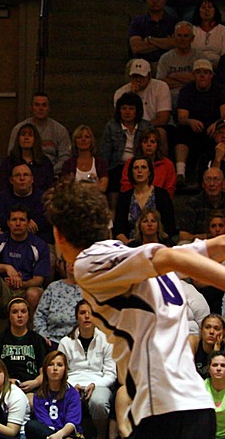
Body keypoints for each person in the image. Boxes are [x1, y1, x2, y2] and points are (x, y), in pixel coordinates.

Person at [46, 177, 225, 439]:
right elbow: (214, 247)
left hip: (166, 410)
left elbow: (167, 256)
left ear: (59, 234)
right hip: (195, 406)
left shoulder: (90, 262)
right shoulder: (128, 260)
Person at [0, 205, 50, 342]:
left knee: (35, 293)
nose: (18, 223)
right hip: (4, 291)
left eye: (22, 220)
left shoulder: (39, 245)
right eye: (14, 220)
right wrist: (7, 268)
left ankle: (30, 333)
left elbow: (39, 279)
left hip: (25, 290)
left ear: (28, 222)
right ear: (8, 223)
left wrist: (21, 283)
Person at [58, 300, 117, 439]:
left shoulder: (107, 340)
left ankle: (101, 435)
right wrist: (71, 386)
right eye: (82, 313)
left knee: (99, 402)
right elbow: (61, 373)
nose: (87, 316)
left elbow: (111, 373)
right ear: (76, 317)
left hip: (98, 382)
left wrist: (95, 385)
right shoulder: (65, 342)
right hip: (72, 383)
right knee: (65, 398)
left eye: (91, 313)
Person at [175, 58, 225, 184]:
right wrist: (190, 121)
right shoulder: (186, 90)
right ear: (193, 75)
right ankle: (180, 173)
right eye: (198, 72)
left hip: (214, 128)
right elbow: (182, 117)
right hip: (194, 127)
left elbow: (224, 115)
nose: (202, 76)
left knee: (222, 131)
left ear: (211, 75)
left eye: (206, 72)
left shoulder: (220, 89)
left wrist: (217, 123)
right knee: (181, 131)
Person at [100, 92, 152, 208]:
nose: (127, 112)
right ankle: (114, 211)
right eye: (124, 108)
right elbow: (105, 153)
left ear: (137, 111)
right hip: (117, 165)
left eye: (131, 108)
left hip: (138, 163)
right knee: (113, 175)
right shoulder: (111, 126)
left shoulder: (146, 127)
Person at [0, 298, 49, 393]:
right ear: (9, 316)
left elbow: (45, 371)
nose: (19, 315)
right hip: (5, 388)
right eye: (15, 312)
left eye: (23, 312)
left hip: (32, 388)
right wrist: (7, 381)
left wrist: (35, 382)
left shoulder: (38, 340)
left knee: (31, 402)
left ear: (28, 315)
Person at [112, 156, 177, 244]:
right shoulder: (124, 197)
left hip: (157, 244)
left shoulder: (162, 195)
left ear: (149, 172)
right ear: (131, 172)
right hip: (130, 245)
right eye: (136, 168)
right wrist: (128, 243)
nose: (139, 171)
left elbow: (170, 226)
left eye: (143, 167)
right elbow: (118, 228)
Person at [7, 92, 71, 175]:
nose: (40, 108)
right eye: (37, 105)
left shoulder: (60, 130)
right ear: (31, 108)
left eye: (44, 105)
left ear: (49, 108)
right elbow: (11, 154)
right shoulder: (19, 129)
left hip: (52, 174)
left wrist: (48, 171)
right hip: (22, 175)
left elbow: (65, 157)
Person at [0, 163, 53, 244]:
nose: (22, 178)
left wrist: (33, 223)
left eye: (25, 175)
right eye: (18, 175)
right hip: (9, 238)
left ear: (32, 179)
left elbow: (48, 217)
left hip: (39, 238)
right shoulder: (1, 197)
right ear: (11, 180)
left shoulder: (43, 197)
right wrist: (20, 225)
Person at [25, 351, 83, 439]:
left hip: (68, 435)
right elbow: (45, 423)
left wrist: (60, 434)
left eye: (59, 365)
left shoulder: (72, 393)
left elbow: (72, 423)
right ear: (45, 369)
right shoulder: (40, 395)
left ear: (65, 370)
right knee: (31, 425)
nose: (55, 368)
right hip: (49, 434)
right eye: (51, 364)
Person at [34, 260, 83, 348]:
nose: (73, 264)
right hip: (53, 341)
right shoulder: (53, 287)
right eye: (70, 261)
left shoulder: (90, 289)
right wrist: (43, 336)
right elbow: (39, 315)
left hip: (79, 342)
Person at [156, 21, 204, 106]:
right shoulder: (165, 58)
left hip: (194, 97)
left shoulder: (200, 57)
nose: (182, 39)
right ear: (174, 37)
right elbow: (161, 83)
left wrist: (174, 76)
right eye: (179, 35)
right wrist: (188, 81)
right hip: (170, 98)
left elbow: (201, 80)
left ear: (192, 38)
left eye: (186, 36)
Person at [128, 0, 178, 65]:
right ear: (146, 1)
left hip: (169, 64)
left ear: (164, 1)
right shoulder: (137, 22)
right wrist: (165, 42)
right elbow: (136, 47)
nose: (155, 1)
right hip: (143, 64)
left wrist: (150, 40)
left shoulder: (174, 22)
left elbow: (175, 44)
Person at [120, 128, 176, 198]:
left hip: (159, 201)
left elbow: (170, 188)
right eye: (145, 142)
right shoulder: (131, 163)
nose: (149, 145)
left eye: (152, 142)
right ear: (141, 145)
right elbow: (126, 185)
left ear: (157, 145)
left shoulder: (167, 164)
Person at [0, 123, 54, 192]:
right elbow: (2, 188)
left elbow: (49, 188)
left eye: (30, 135)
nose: (26, 138)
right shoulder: (8, 162)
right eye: (23, 134)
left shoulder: (45, 162)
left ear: (35, 139)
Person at [179, 168, 225, 242]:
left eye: (216, 179)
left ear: (223, 184)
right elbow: (183, 236)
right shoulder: (192, 204)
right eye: (208, 180)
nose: (212, 184)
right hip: (200, 246)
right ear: (203, 185)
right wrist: (209, 237)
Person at [60, 125, 108, 193]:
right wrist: (93, 186)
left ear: (91, 140)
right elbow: (67, 187)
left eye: (87, 137)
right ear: (75, 141)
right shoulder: (68, 164)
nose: (83, 139)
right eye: (79, 137)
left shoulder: (100, 163)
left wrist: (79, 185)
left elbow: (103, 187)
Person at [190, 314, 225, 378]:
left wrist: (215, 352)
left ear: (223, 333)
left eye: (216, 329)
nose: (211, 332)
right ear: (201, 330)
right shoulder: (193, 342)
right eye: (207, 327)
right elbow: (188, 373)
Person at [192, 0, 225, 66]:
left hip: (218, 66)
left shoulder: (223, 30)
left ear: (215, 10)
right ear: (198, 11)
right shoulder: (192, 30)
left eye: (210, 7)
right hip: (195, 65)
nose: (207, 10)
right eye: (203, 7)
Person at [204, 350, 225, 438]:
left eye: (223, 365)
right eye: (215, 365)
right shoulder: (201, 388)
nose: (219, 368)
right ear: (209, 369)